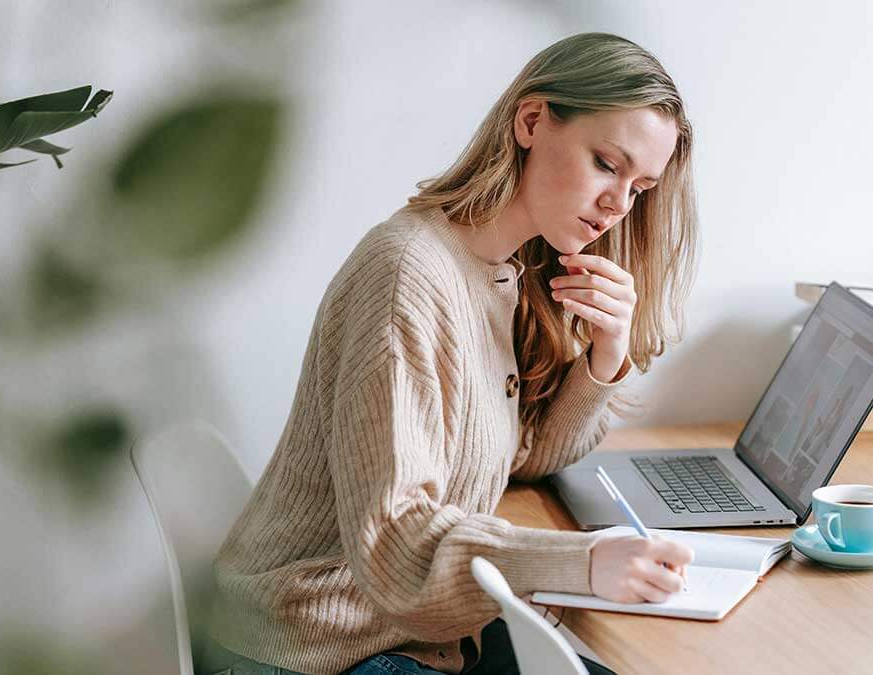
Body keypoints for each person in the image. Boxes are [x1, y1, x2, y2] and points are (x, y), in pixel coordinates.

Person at [204, 32, 699, 675]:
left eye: (640, 187)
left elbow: (523, 462)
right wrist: (581, 564)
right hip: (316, 645)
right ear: (531, 121)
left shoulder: (501, 274)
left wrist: (605, 358)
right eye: (607, 162)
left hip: (405, 629)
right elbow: (393, 542)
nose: (618, 204)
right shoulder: (406, 273)